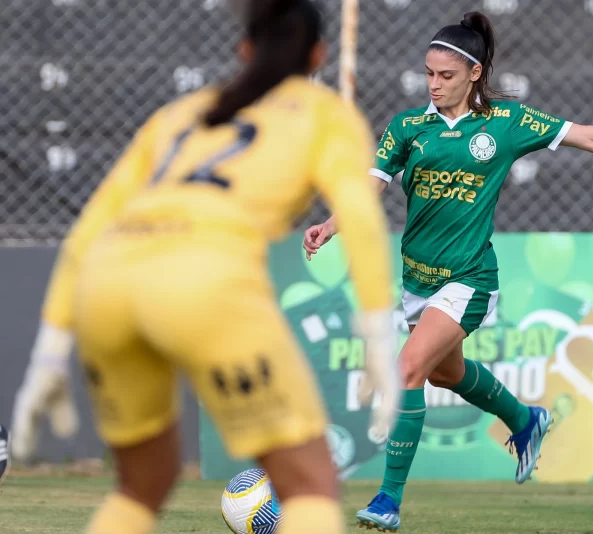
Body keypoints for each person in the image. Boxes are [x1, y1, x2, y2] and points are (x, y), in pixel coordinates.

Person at [303, 10, 593, 531]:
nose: (434, 85)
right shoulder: (409, 127)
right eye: (428, 74)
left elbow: (590, 136)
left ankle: (386, 501)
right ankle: (524, 419)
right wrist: (330, 225)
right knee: (445, 373)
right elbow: (370, 187)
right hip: (417, 281)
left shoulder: (507, 122)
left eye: (445, 75)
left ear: (474, 73)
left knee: (407, 369)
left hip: (469, 279)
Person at [10, 1, 401, 533]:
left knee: (141, 485)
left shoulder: (181, 113)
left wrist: (52, 345)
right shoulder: (324, 113)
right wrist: (376, 330)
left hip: (106, 285)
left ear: (243, 48)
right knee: (309, 486)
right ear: (319, 54)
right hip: (205, 283)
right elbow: (358, 214)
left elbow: (90, 227)